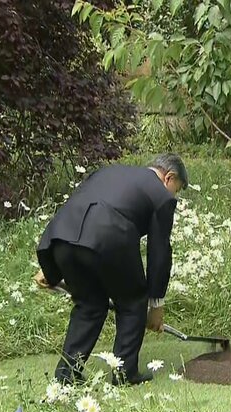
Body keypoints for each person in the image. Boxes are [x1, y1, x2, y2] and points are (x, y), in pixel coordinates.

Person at [34, 153, 187, 385]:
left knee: (90, 305)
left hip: (60, 238)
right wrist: (156, 303)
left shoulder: (107, 172)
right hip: (108, 236)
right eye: (178, 189)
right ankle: (124, 374)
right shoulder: (161, 195)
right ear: (169, 177)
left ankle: (66, 376)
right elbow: (159, 252)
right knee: (133, 301)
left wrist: (52, 267)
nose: (174, 195)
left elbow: (78, 209)